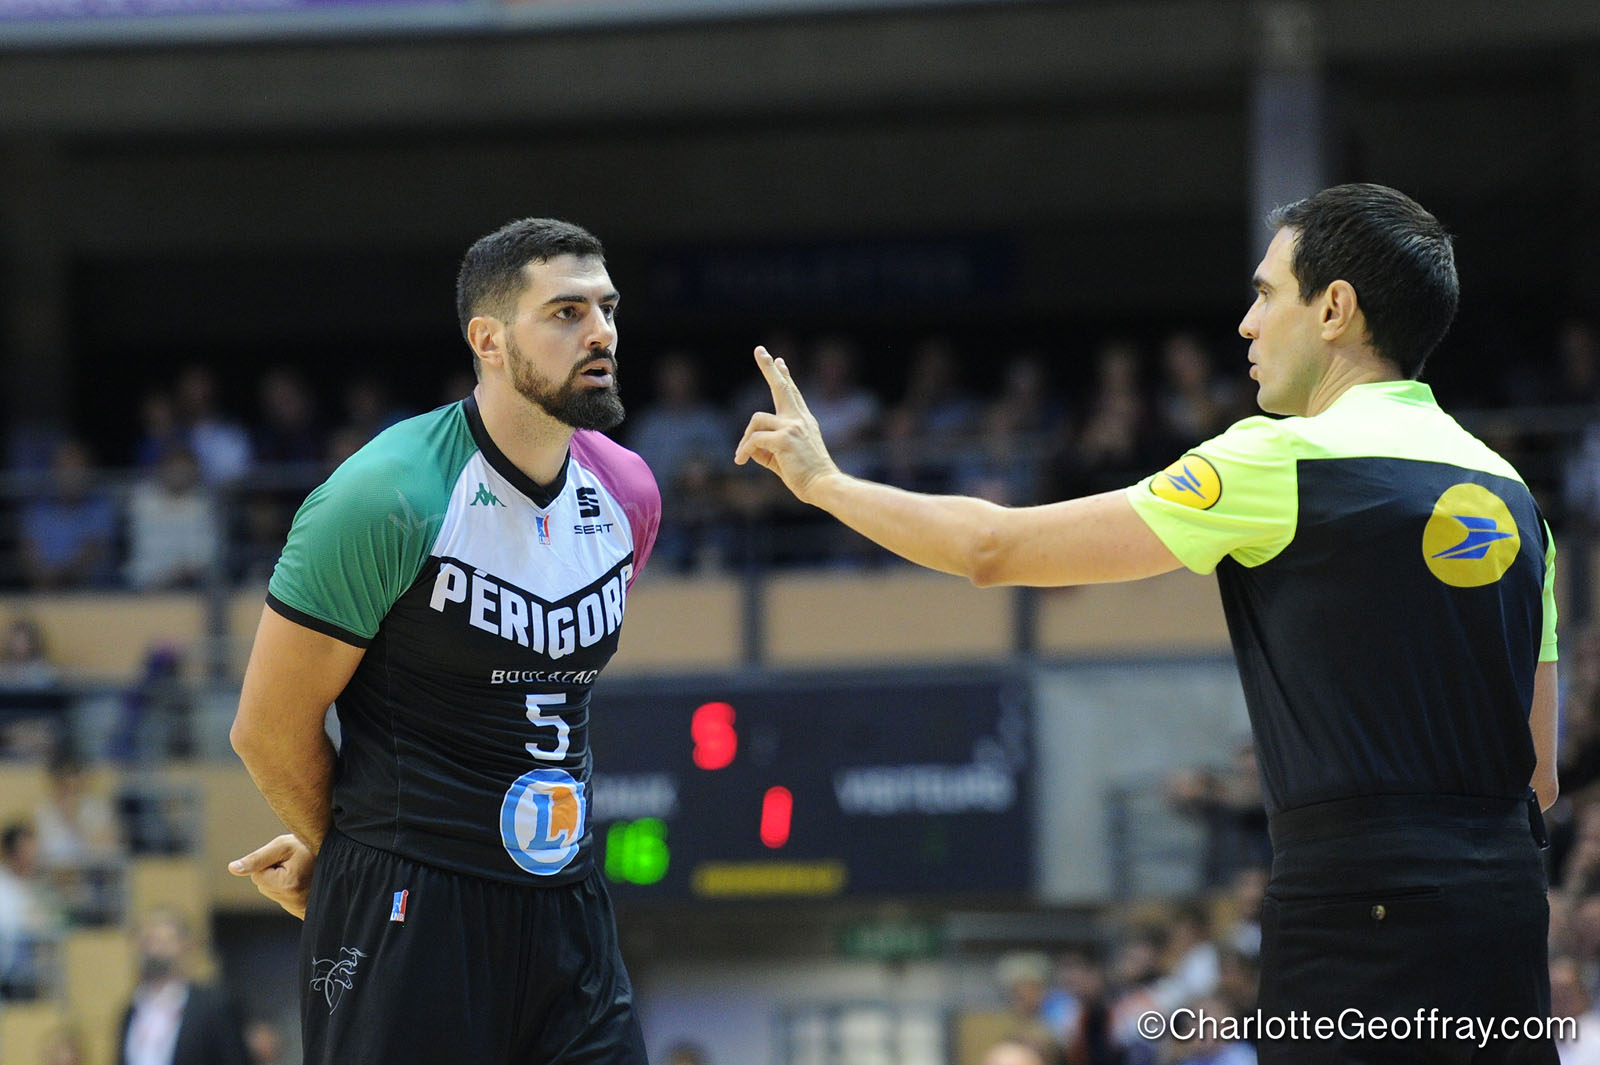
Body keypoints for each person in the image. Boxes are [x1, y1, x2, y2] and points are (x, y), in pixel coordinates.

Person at [737, 184, 1558, 1064]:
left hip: (1354, 908)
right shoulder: (1515, 497)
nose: (1247, 323)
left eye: (1266, 294)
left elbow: (992, 548)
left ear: (1334, 309)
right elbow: (1539, 776)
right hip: (1507, 906)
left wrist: (826, 484)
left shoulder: (1278, 460)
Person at [227, 217, 660, 1065]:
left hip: (567, 902)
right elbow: (267, 727)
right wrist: (345, 853)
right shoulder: (386, 495)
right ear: (489, 340)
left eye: (607, 308)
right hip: (408, 902)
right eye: (566, 312)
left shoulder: (629, 491)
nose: (601, 332)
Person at [117, 907, 250, 1065]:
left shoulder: (213, 1007)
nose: (154, 950)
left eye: (163, 941)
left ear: (185, 946)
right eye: (148, 941)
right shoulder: (132, 1009)